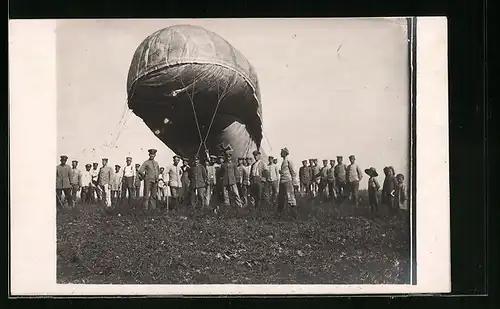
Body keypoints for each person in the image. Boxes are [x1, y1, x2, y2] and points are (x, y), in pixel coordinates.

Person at [277, 147, 297, 216]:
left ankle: (293, 212)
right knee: (281, 196)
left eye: (281, 152)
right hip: (282, 181)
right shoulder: (284, 161)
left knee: (290, 196)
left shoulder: (288, 160)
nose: (280, 153)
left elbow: (293, 171)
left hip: (287, 181)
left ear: (285, 153)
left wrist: (294, 180)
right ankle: (280, 212)